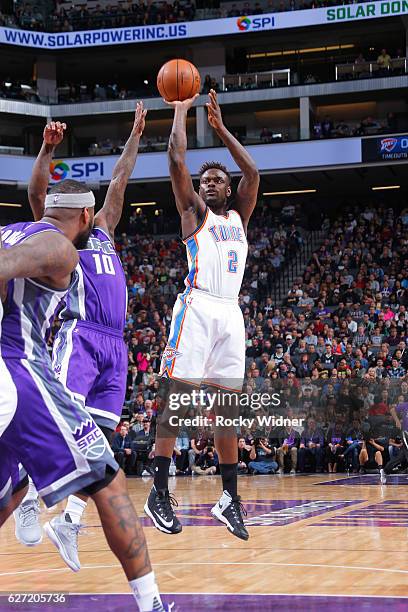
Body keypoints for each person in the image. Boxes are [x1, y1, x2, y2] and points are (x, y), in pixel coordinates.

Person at [0, 198, 163, 610]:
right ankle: (152, 605)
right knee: (110, 483)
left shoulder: (11, 229)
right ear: (86, 217)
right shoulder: (61, 247)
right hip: (18, 369)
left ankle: (36, 494)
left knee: (4, 496)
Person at [14, 103, 147, 572]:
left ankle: (68, 520)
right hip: (80, 336)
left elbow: (120, 181)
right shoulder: (58, 237)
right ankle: (29, 499)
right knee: (62, 425)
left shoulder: (104, 228)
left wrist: (134, 134)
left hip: (117, 344)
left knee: (103, 439)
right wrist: (48, 149)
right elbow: (36, 194)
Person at [144, 89, 259, 541]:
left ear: (227, 190)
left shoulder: (239, 216)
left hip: (231, 314)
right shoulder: (193, 213)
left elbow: (252, 171)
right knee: (180, 398)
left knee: (227, 410)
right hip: (197, 305)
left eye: (215, 180)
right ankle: (158, 488)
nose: (207, 183)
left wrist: (222, 130)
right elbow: (176, 159)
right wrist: (180, 110)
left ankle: (229, 497)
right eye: (204, 179)